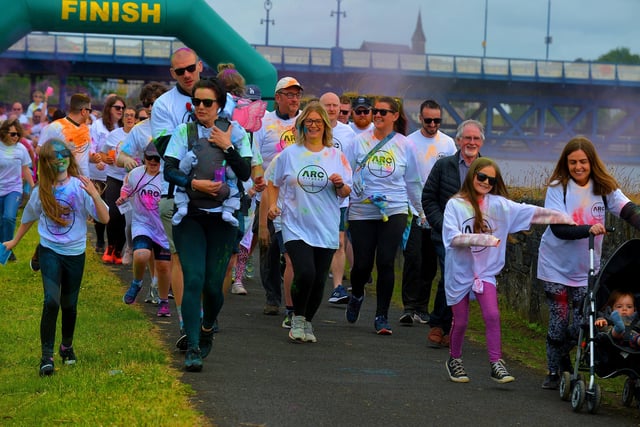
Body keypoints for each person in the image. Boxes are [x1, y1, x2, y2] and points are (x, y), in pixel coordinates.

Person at [442, 157, 574, 384]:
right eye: (481, 176)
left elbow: (532, 213)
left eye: (490, 180)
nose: (485, 182)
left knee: (492, 316)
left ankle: (496, 363)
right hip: (459, 272)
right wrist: (482, 239)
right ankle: (454, 359)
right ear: (472, 175)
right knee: (461, 321)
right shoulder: (455, 205)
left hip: (485, 273)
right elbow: (452, 238)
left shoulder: (499, 206)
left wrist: (567, 218)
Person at [163, 77, 252, 371]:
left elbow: (244, 172)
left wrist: (228, 148)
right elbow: (169, 171)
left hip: (223, 219)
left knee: (214, 286)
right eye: (196, 102)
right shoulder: (183, 131)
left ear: (220, 105)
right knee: (194, 279)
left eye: (207, 102)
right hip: (189, 216)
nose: (200, 107)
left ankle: (208, 326)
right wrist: (193, 182)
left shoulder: (236, 132)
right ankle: (193, 345)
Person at [537, 136, 640, 389]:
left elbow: (627, 209)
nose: (578, 167)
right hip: (555, 266)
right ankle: (554, 370)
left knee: (582, 323)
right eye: (573, 162)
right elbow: (558, 228)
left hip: (586, 269)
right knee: (559, 319)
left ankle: (563, 354)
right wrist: (588, 230)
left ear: (592, 162)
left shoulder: (603, 188)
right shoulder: (557, 187)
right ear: (566, 163)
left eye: (583, 161)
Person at [2, 139, 109, 376]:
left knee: (69, 305)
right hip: (50, 249)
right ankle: (46, 357)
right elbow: (30, 216)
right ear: (47, 163)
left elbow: (104, 219)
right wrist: (14, 241)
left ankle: (66, 347)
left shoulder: (80, 186)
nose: (59, 160)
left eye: (63, 155)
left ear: (69, 159)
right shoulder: (43, 190)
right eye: (54, 157)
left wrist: (95, 194)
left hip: (75, 253)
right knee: (51, 301)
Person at [268, 101, 352, 342]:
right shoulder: (289, 154)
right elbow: (274, 183)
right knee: (305, 272)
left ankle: (307, 322)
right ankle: (296, 315)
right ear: (301, 125)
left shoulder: (337, 156)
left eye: (318, 121)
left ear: (325, 126)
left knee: (317, 280)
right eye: (309, 121)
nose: (313, 125)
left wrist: (339, 185)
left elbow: (346, 192)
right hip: (294, 224)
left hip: (325, 225)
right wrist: (274, 206)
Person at [345, 96, 425, 335]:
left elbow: (413, 181)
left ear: (395, 116)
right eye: (374, 111)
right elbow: (346, 173)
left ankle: (381, 316)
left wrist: (420, 211)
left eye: (382, 112)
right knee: (362, 264)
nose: (377, 115)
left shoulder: (406, 145)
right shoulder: (357, 142)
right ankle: (357, 293)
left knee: (386, 261)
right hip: (362, 209)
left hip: (395, 208)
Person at [422, 119, 485, 348]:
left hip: (474, 237)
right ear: (458, 140)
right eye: (467, 138)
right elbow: (428, 198)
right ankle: (440, 325)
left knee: (462, 279)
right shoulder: (443, 165)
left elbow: (497, 203)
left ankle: (447, 325)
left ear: (481, 142)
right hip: (445, 235)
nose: (471, 142)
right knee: (451, 273)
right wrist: (441, 225)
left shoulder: (488, 169)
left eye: (476, 138)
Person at [400, 100, 456, 325]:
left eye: (437, 120)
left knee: (431, 262)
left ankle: (422, 307)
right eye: (428, 120)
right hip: (412, 210)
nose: (433, 124)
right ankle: (408, 306)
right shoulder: (408, 142)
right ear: (420, 118)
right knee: (413, 258)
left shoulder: (449, 144)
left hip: (437, 213)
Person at [253, 76, 303, 315]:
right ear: (278, 97)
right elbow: (255, 157)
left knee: (295, 251)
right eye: (290, 94)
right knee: (269, 248)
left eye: (297, 95)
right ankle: (272, 297)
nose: (294, 99)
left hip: (300, 197)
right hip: (269, 196)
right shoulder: (263, 123)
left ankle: (296, 299)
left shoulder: (306, 122)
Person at [119, 142, 172, 317]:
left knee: (164, 267)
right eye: (149, 157)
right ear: (144, 157)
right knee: (141, 254)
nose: (153, 161)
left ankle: (163, 301)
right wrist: (123, 198)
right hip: (142, 223)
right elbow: (126, 190)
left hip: (163, 227)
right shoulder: (136, 174)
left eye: (157, 158)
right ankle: (137, 283)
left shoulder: (168, 177)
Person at [319, 91, 357, 305]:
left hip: (338, 196)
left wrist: (345, 185)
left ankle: (338, 287)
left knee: (339, 241)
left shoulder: (348, 133)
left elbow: (350, 163)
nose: (332, 109)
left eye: (335, 105)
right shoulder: (313, 127)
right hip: (313, 197)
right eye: (328, 105)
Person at [90, 95, 125, 259]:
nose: (121, 111)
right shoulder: (98, 126)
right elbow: (93, 147)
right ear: (108, 108)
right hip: (98, 173)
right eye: (117, 107)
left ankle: (115, 245)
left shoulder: (124, 126)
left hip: (116, 175)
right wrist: (99, 158)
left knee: (115, 211)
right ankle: (100, 241)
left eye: (123, 108)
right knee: (100, 207)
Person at [103, 106, 137, 265]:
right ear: (122, 118)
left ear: (136, 119)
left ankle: (119, 250)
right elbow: (102, 153)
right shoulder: (113, 135)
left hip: (131, 182)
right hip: (114, 178)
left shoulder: (139, 135)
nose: (129, 118)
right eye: (127, 115)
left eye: (132, 115)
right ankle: (110, 247)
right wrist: (105, 159)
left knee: (126, 218)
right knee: (113, 213)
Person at [0, 119, 35, 261]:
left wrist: (33, 188)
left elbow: (25, 169)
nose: (16, 137)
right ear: (4, 133)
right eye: (13, 134)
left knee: (9, 217)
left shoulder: (21, 149)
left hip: (13, 189)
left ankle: (8, 249)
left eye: (18, 134)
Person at [39, 93, 93, 177]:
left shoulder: (86, 128)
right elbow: (40, 151)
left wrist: (93, 158)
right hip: (62, 181)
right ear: (83, 111)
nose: (90, 114)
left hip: (84, 182)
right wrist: (63, 153)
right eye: (90, 111)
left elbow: (83, 157)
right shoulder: (55, 127)